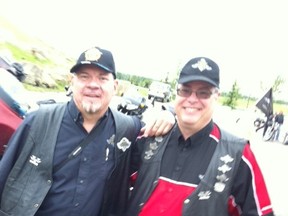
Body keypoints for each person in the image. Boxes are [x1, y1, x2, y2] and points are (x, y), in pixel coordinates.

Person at [0, 46, 175, 216]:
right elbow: (4, 175)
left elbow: (162, 143)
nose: (93, 85)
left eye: (102, 78)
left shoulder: (128, 129)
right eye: (84, 77)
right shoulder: (38, 121)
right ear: (72, 82)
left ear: (115, 86)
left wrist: (170, 114)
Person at [127, 57, 274, 216]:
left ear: (216, 96)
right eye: (185, 90)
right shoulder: (149, 139)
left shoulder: (238, 155)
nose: (192, 99)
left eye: (203, 93)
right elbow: (111, 189)